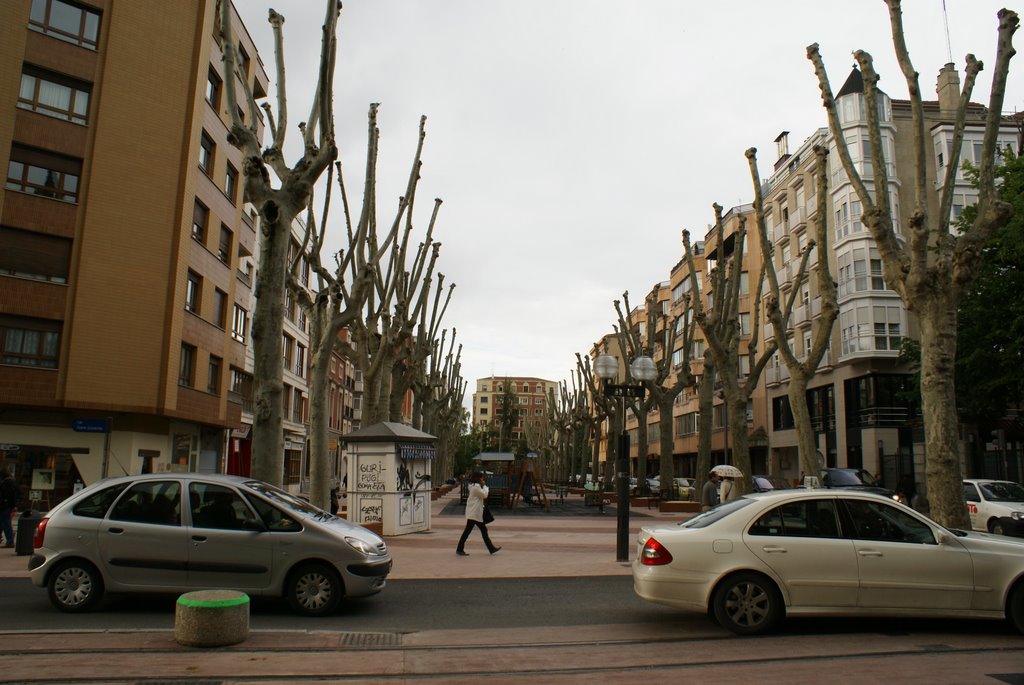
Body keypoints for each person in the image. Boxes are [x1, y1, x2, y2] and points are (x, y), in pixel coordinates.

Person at [456, 471, 500, 556]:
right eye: (482, 478)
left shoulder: (474, 486)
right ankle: (460, 549)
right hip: (474, 513)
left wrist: (482, 486)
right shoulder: (476, 487)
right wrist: (486, 487)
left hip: (474, 513)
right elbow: (484, 495)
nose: (483, 479)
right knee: (473, 531)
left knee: (476, 531)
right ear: (478, 478)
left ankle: (491, 548)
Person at [0, 468, 17, 548]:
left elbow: (9, 495)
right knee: (3, 522)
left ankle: (10, 541)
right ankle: (9, 539)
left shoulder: (7, 482)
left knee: (5, 523)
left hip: (5, 505)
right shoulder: (10, 481)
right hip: (6, 505)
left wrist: (13, 505)